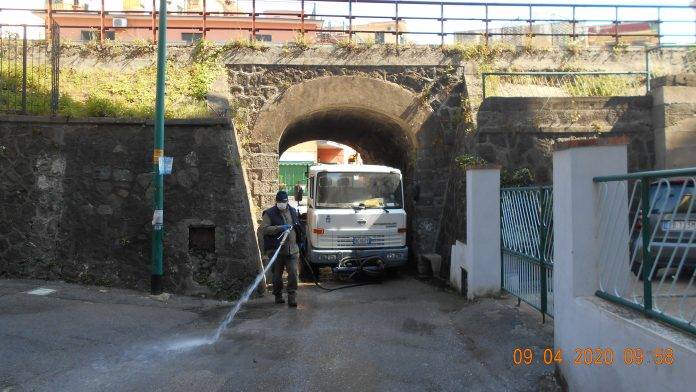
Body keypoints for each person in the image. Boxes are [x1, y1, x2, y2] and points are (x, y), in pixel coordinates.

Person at [261, 190, 302, 307]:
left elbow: (298, 227)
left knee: (293, 273)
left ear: (287, 201)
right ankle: (278, 295)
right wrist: (280, 228)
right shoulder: (269, 214)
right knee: (277, 276)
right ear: (276, 202)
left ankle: (292, 296)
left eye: (283, 202)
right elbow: (264, 229)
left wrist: (300, 242)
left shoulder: (293, 211)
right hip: (276, 251)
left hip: (292, 249)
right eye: (279, 202)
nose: (282, 204)